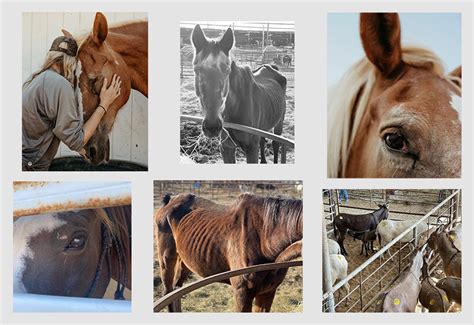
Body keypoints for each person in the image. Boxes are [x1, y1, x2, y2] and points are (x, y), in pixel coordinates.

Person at [22, 35, 122, 171]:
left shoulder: (37, 79)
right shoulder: (60, 84)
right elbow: (76, 141)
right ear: (72, 62)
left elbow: (51, 125)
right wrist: (104, 103)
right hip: (30, 167)